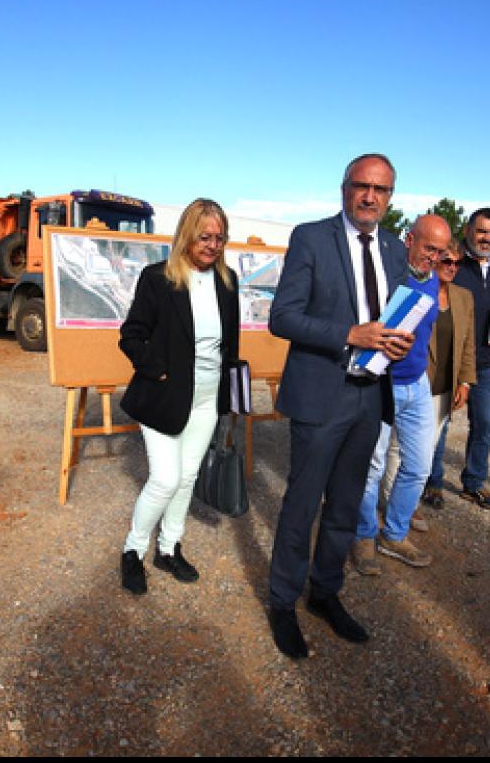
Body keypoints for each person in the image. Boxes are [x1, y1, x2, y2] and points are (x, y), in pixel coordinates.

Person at [265, 153, 413, 659]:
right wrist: (348, 334)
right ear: (345, 188)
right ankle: (283, 602)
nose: (370, 196)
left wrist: (397, 342)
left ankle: (324, 593)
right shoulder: (311, 238)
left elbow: (392, 317)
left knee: (346, 505)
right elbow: (282, 317)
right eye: (362, 186)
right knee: (302, 504)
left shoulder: (394, 250)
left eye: (382, 190)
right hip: (320, 394)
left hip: (369, 398)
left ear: (391, 198)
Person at [117, 198, 241, 594]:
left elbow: (231, 345)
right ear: (187, 235)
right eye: (204, 236)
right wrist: (161, 370)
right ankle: (133, 550)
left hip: (207, 396)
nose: (212, 245)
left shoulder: (228, 281)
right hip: (165, 395)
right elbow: (131, 336)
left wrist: (230, 396)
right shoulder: (159, 278)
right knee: (166, 478)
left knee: (187, 477)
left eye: (219, 238)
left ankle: (168, 548)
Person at [350, 215, 448, 573]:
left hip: (417, 385)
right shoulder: (388, 273)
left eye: (440, 251)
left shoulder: (433, 278)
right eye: (428, 248)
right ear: (410, 240)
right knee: (372, 465)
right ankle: (363, 536)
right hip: (382, 384)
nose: (434, 257)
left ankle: (393, 534)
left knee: (419, 466)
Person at [436, 207, 490, 510]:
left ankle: (473, 483)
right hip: (449, 360)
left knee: (484, 425)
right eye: (482, 231)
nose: (487, 238)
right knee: (440, 424)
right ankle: (432, 482)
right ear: (468, 230)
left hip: (487, 363)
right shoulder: (453, 263)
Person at [419, 242, 478, 511]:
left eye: (457, 263)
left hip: (445, 385)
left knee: (431, 446)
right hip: (416, 383)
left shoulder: (464, 298)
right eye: (447, 261)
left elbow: (468, 345)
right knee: (404, 449)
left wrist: (464, 382)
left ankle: (415, 498)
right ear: (434, 261)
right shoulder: (417, 289)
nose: (452, 267)